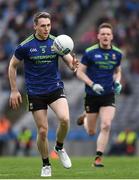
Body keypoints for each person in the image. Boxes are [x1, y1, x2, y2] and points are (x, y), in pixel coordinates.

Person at [8, 12, 78, 177]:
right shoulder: (25, 46)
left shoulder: (56, 42)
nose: (46, 28)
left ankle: (59, 147)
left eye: (48, 25)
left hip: (54, 88)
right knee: (42, 131)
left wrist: (73, 65)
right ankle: (46, 164)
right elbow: (12, 66)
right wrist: (14, 90)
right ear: (35, 26)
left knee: (65, 119)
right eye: (43, 25)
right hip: (35, 92)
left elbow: (69, 61)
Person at [76, 22, 123, 167]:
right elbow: (79, 72)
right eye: (103, 34)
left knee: (106, 125)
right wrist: (92, 84)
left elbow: (117, 71)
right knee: (91, 131)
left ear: (112, 36)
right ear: (98, 36)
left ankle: (98, 158)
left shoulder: (117, 54)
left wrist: (118, 82)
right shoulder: (90, 52)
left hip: (108, 95)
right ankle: (85, 117)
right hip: (92, 95)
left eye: (108, 34)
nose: (105, 36)